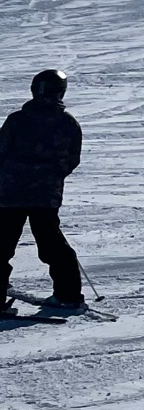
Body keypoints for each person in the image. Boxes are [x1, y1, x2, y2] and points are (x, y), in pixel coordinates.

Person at [0, 70, 84, 315]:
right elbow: (72, 159)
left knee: (2, 243)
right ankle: (68, 295)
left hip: (9, 195)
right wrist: (50, 178)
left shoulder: (18, 120)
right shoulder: (68, 123)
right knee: (51, 242)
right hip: (45, 197)